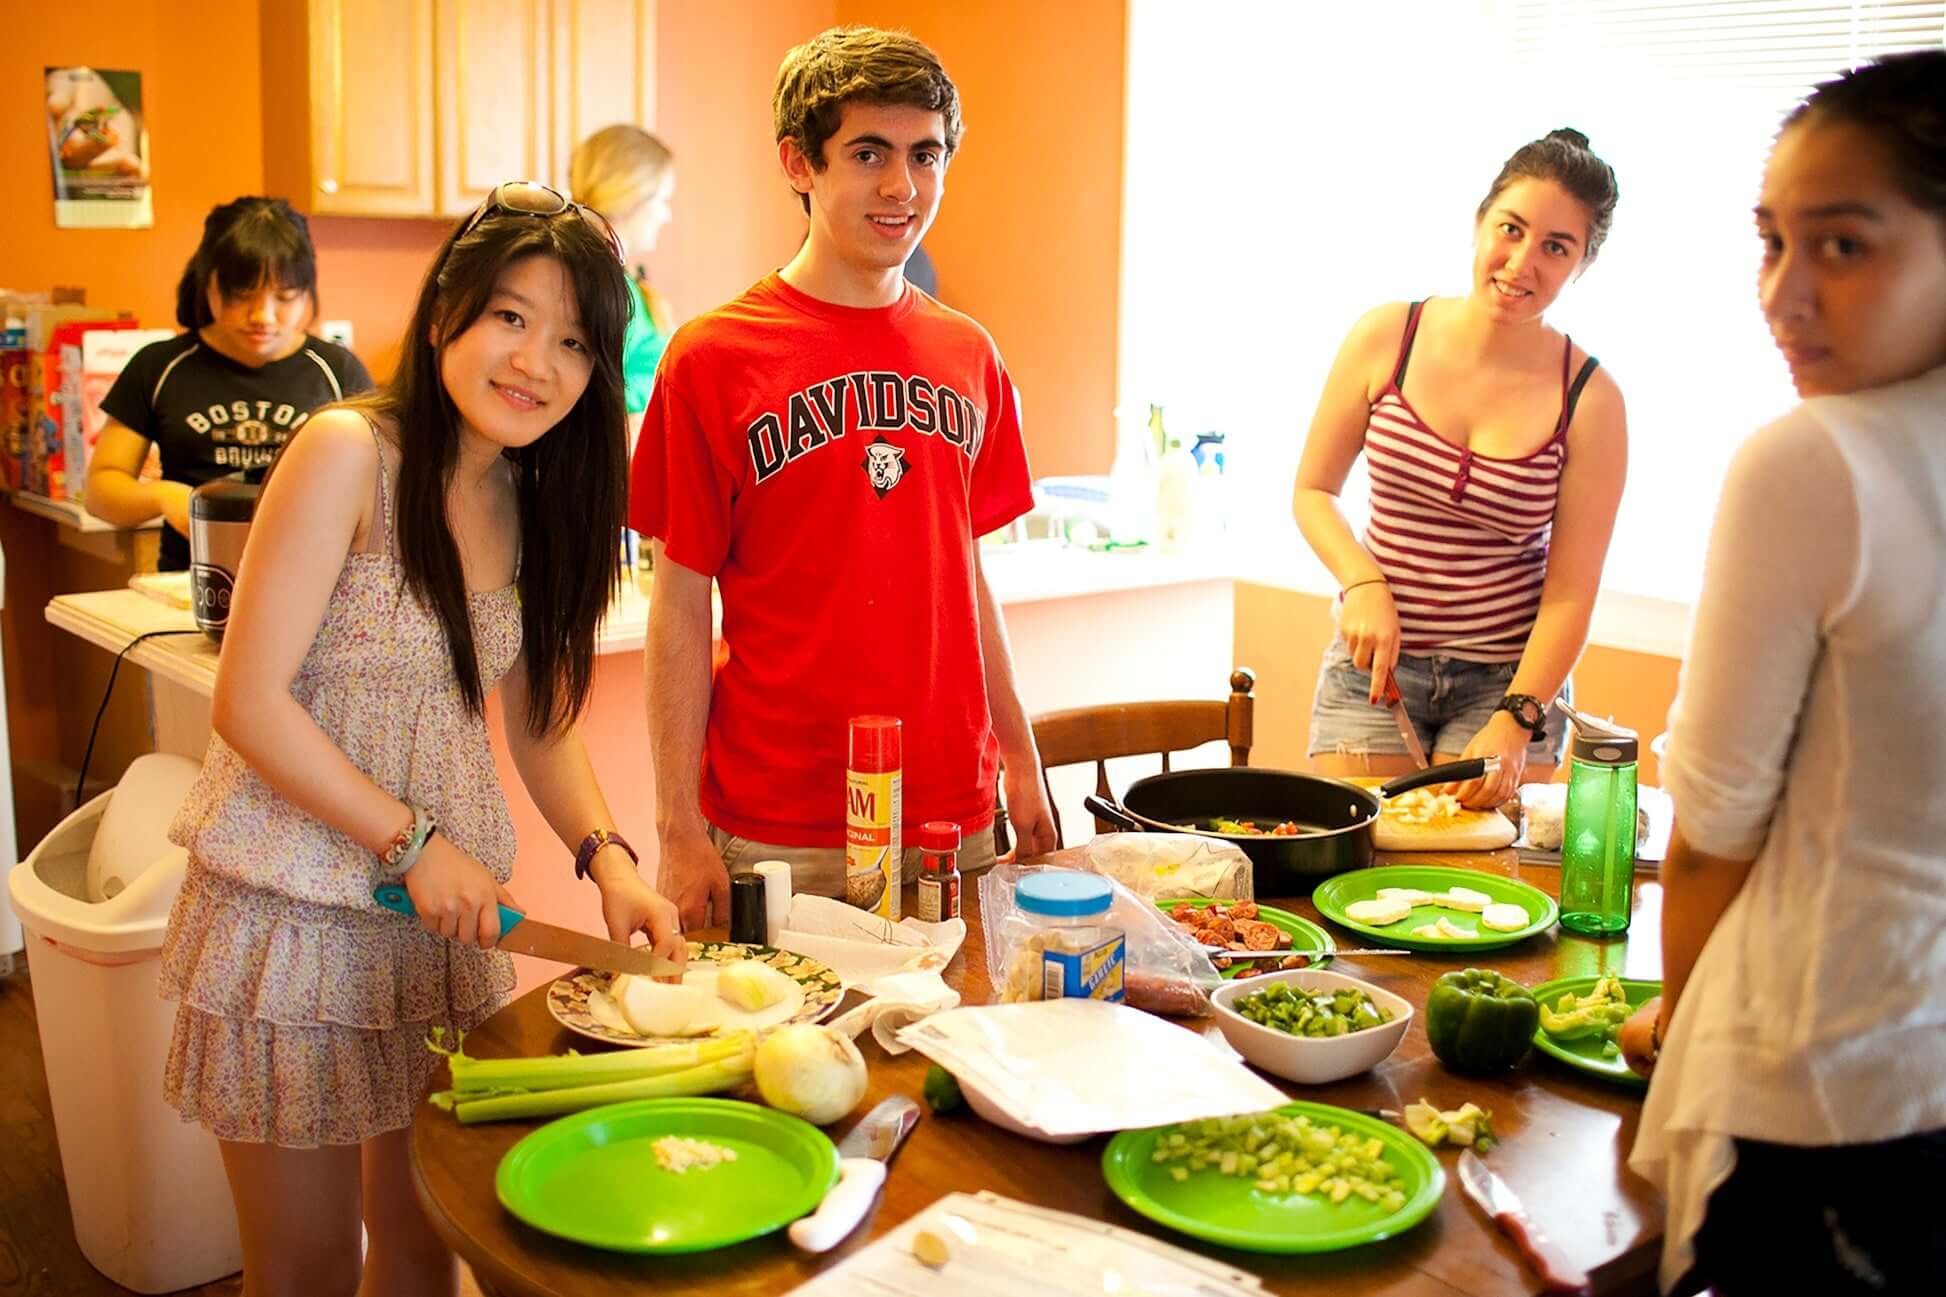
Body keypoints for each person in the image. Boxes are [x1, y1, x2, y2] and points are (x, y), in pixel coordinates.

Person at [159, 181, 684, 1297]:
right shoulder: (348, 451)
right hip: (291, 914)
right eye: (510, 316)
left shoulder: (534, 494)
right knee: (302, 1271)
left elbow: (542, 725)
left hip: (433, 931)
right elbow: (247, 702)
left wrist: (610, 859)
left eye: (574, 341)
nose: (535, 361)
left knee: (427, 1248)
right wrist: (409, 842)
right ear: (447, 307)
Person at [1618, 51, 1946, 1296]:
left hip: (1828, 1075)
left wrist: (1664, 1020)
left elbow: (1711, 832)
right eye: (1768, 241)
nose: (1781, 296)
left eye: (1843, 246)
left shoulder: (1814, 462)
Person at [632, 25, 1059, 929]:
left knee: (954, 1060)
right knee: (787, 1068)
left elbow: (967, 578)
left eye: (925, 154)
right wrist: (676, 826)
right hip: (780, 825)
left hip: (953, 816)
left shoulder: (969, 355)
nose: (902, 187)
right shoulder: (711, 358)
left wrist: (1019, 759)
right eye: (869, 153)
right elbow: (679, 600)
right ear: (799, 163)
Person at [1292, 130, 1628, 808]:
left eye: (1556, 247)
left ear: (1580, 266)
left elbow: (1570, 590)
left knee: (1472, 889)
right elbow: (1312, 490)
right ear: (1479, 223)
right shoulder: (1387, 336)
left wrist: (1519, 715)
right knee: (1355, 869)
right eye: (1511, 228)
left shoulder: (1591, 399)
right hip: (1374, 674)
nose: (1522, 262)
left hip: (1509, 682)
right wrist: (1362, 581)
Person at [86, 196, 372, 571]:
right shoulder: (159, 366)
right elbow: (100, 490)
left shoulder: (338, 371)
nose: (263, 316)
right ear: (208, 285)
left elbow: (383, 486)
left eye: (284, 297)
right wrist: (164, 497)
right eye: (242, 296)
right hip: (194, 581)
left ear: (306, 292)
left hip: (311, 579)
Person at [569, 123, 677, 428]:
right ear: (631, 195)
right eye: (661, 200)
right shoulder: (599, 288)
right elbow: (600, 413)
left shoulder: (620, 281)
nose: (666, 215)